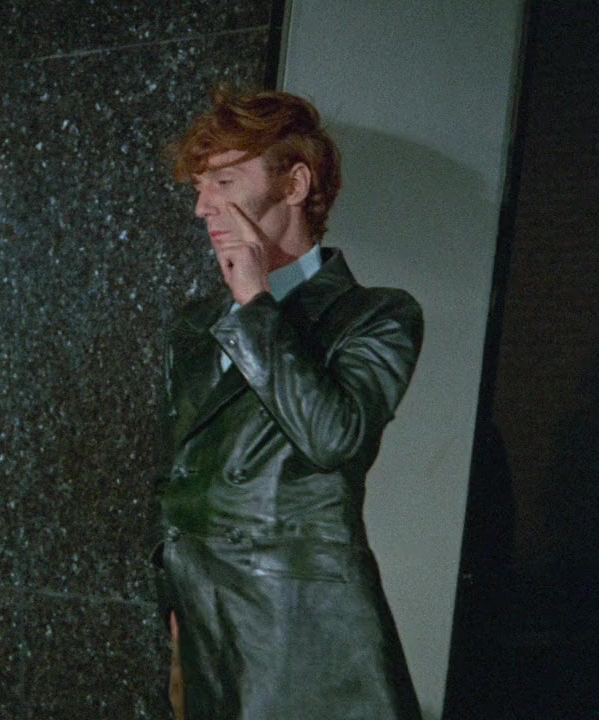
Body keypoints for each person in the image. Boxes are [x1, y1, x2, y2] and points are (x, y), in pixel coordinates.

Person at [151, 88, 424, 719]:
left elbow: (332, 439)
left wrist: (255, 301)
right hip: (206, 632)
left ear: (295, 184)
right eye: (199, 187)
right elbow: (176, 475)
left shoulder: (376, 315)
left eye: (224, 181)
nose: (203, 207)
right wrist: (172, 602)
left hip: (307, 639)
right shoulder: (195, 323)